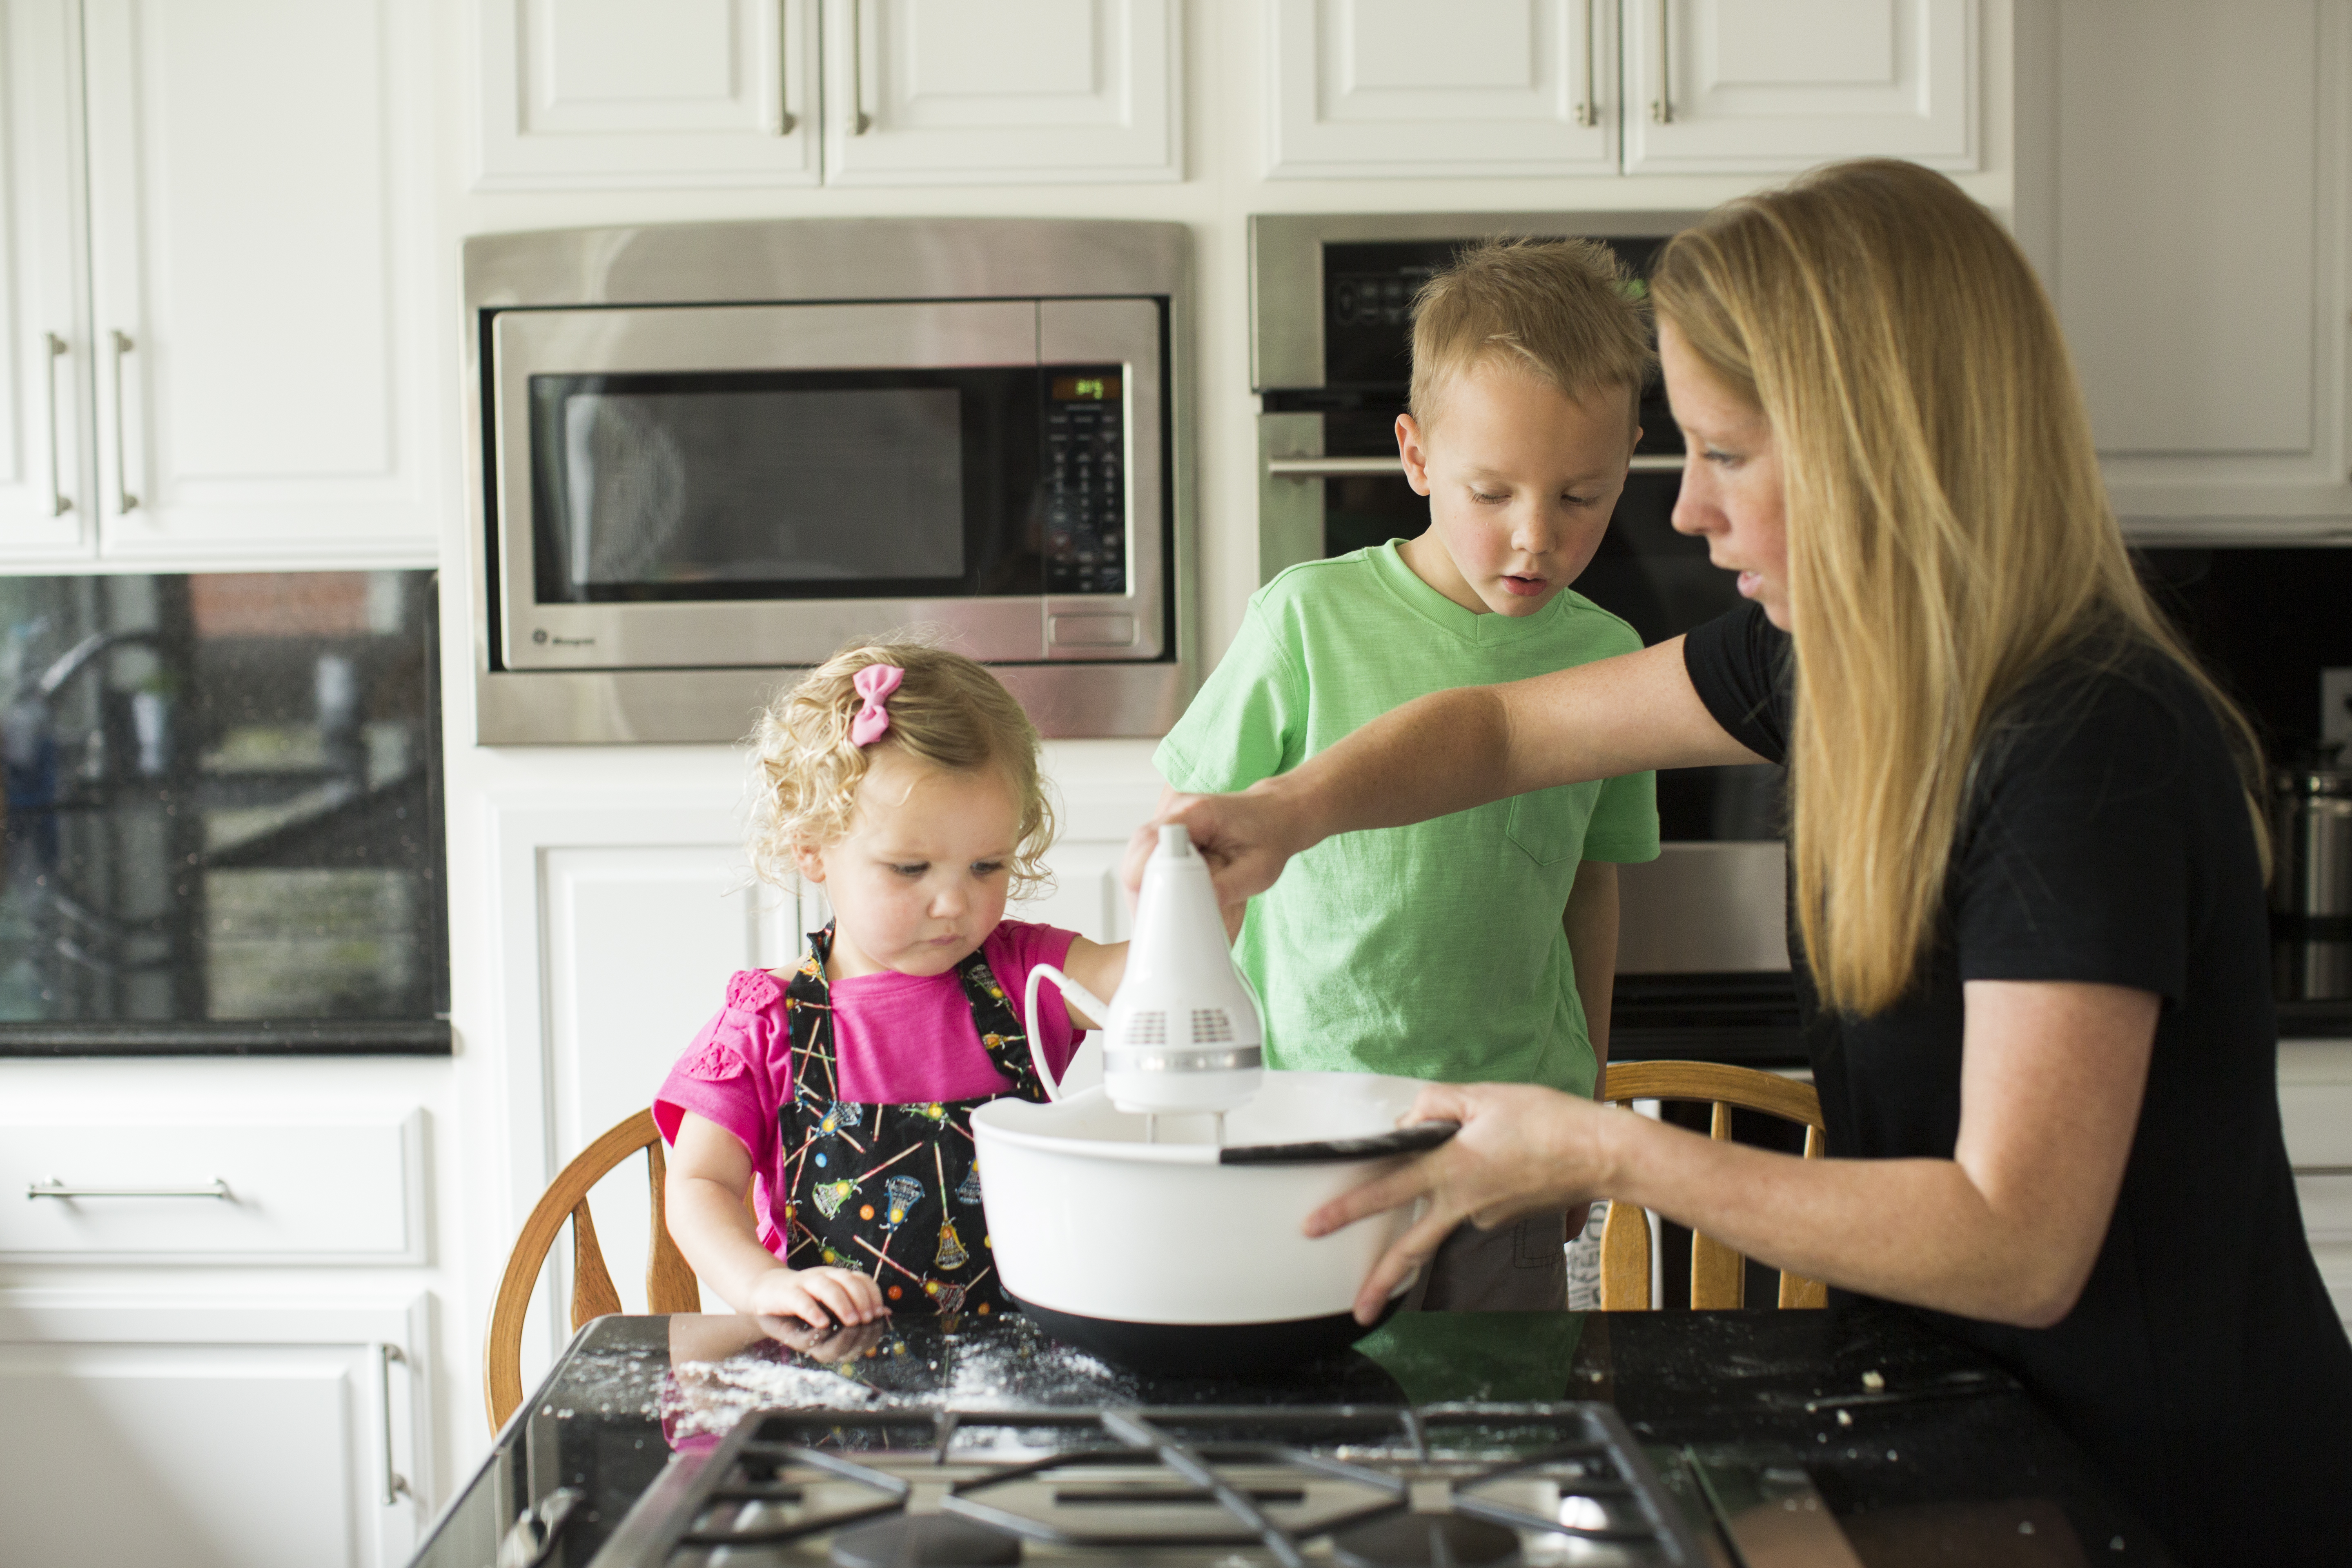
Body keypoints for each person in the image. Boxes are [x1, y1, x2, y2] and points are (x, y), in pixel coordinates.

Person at [1137, 160, 2352, 1564]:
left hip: (2168, 1492)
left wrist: (1603, 1146)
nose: (1687, 516)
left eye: (1725, 455)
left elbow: (2014, 1242)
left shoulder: (2084, 743)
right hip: (1973, 1433)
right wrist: (1288, 811)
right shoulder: (1835, 659)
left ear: (1874, 445)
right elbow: (1496, 729)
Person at [1154, 239, 1659, 1310]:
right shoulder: (1306, 619)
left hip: (1511, 1129)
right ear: (1417, 455)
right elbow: (1191, 851)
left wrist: (1589, 1096)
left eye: (1583, 495)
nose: (1536, 539)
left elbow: (1593, 885)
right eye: (1493, 492)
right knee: (1317, 1422)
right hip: (1310, 1119)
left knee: (1504, 1418)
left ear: (1631, 462)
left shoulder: (1615, 661)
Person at [658, 641, 1127, 1330]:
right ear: (812, 846)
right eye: (911, 869)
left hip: (1023, 1382)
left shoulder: (1025, 976)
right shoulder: (771, 1020)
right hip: (833, 1382)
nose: (953, 904)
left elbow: (1143, 985)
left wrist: (1202, 890)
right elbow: (701, 1185)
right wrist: (762, 1286)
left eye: (986, 865)